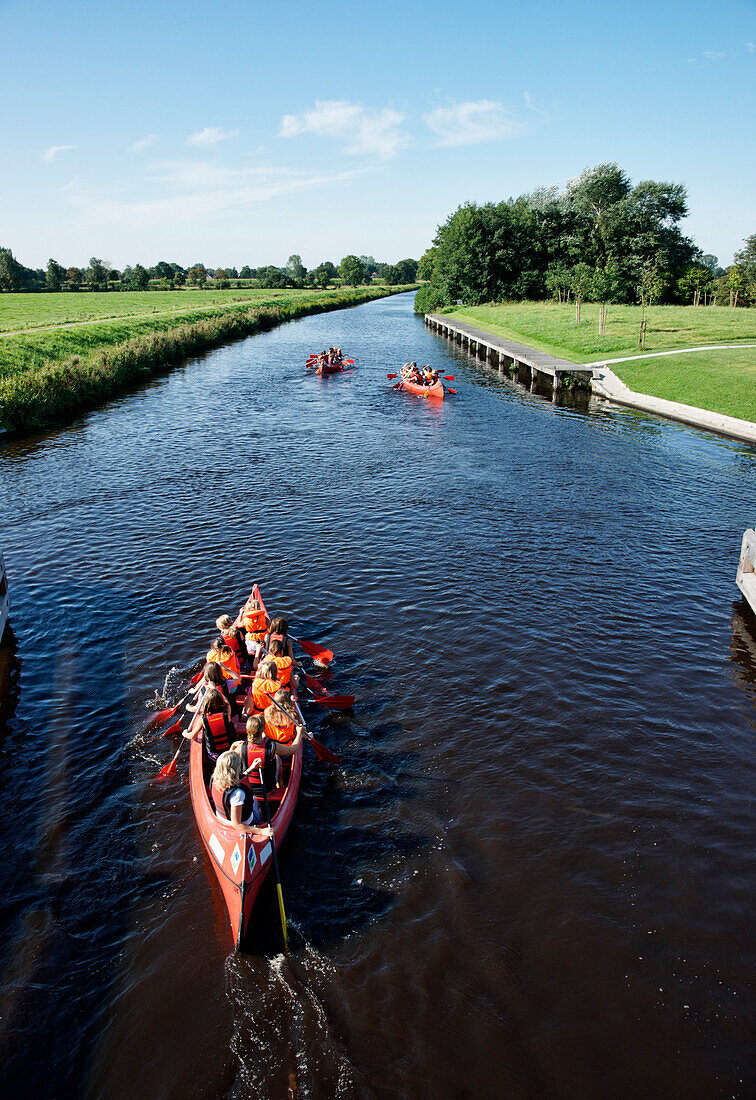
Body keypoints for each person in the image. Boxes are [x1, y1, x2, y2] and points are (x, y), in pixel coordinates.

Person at [230, 714, 303, 793]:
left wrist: (232, 747)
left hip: (247, 789)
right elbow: (292, 750)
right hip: (267, 790)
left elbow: (229, 762)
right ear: (263, 729)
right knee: (277, 758)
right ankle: (280, 785)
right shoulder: (272, 746)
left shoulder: (239, 748)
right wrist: (299, 734)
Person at [209, 751, 273, 837]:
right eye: (239, 764)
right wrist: (261, 831)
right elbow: (237, 824)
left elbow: (238, 777)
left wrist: (251, 768)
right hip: (242, 824)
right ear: (235, 768)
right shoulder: (238, 794)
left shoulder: (215, 779)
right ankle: (260, 820)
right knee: (255, 801)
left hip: (222, 820)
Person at [239, 598, 268, 666]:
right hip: (263, 641)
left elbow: (239, 625)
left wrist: (240, 614)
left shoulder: (246, 619)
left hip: (251, 642)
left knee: (246, 637)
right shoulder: (263, 617)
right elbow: (270, 626)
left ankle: (251, 656)